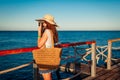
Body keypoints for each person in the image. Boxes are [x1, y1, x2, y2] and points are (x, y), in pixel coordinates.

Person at [36, 14, 59, 80]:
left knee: (47, 78)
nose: (42, 24)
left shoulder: (46, 31)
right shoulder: (52, 31)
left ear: (47, 23)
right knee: (48, 77)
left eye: (43, 22)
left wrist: (39, 33)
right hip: (50, 56)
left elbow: (39, 45)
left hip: (45, 57)